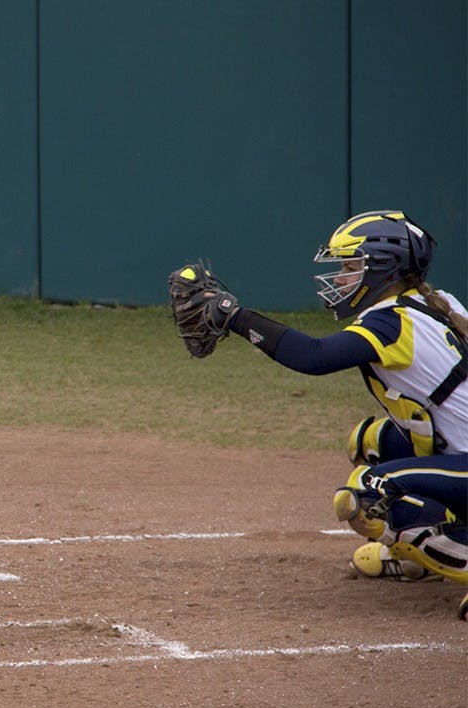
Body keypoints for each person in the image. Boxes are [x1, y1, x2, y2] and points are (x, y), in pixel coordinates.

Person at [183, 210, 467, 615]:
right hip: (460, 453)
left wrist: (235, 316)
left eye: (351, 267)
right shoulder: (437, 303)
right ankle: (433, 551)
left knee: (366, 493)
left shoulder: (391, 324)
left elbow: (314, 358)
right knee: (369, 442)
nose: (340, 278)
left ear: (384, 269)